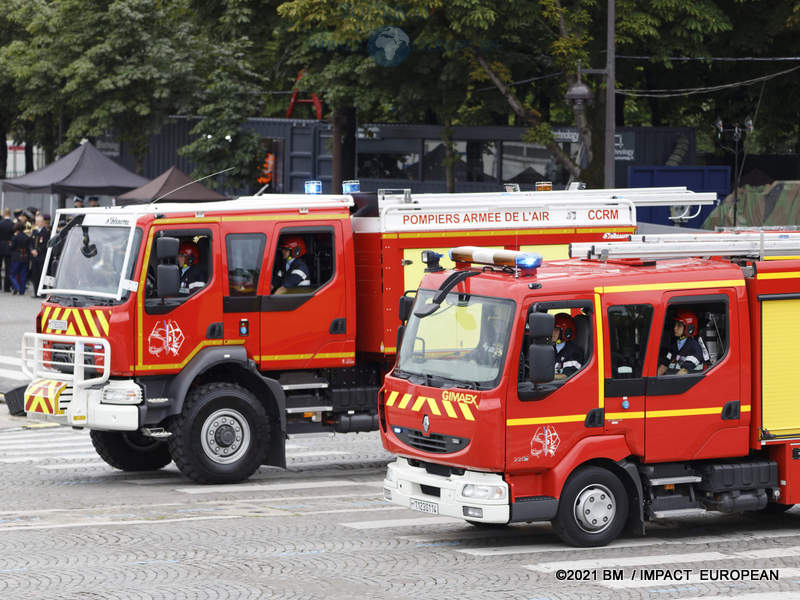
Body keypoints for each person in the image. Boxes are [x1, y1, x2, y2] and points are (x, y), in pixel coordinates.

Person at [657, 310, 706, 375]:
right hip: (671, 380)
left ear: (689, 328)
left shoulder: (694, 348)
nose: (675, 328)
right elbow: (664, 365)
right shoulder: (674, 346)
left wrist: (669, 384)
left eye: (679, 325)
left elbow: (684, 371)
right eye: (675, 325)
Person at [553, 313, 583, 380]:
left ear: (567, 332)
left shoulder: (574, 352)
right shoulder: (551, 347)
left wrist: (544, 377)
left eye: (556, 330)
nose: (552, 332)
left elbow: (568, 376)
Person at [30, 214, 51, 297]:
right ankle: (36, 292)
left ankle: (42, 293)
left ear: (42, 222)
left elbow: (45, 244)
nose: (38, 223)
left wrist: (37, 250)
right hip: (34, 257)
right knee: (35, 275)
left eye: (39, 221)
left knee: (41, 274)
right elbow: (30, 242)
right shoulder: (34, 231)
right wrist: (31, 249)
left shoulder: (45, 232)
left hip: (41, 257)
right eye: (36, 222)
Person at [9, 222, 32, 295]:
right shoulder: (27, 237)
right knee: (23, 275)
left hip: (16, 257)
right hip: (25, 257)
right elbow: (29, 247)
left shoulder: (15, 237)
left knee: (12, 274)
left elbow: (12, 247)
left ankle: (17, 287)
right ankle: (22, 291)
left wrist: (10, 245)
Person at [0, 208, 13, 292]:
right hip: (9, 247)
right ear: (10, 214)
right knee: (8, 268)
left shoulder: (0, 223)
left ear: (4, 214)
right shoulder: (13, 223)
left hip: (0, 246)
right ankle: (7, 287)